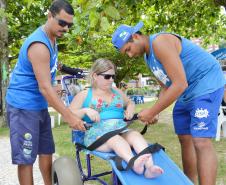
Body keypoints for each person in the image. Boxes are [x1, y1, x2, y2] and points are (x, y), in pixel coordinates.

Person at [112, 22, 225, 185]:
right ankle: (189, 182)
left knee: (200, 141)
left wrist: (151, 111)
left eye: (128, 49)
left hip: (206, 83)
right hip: (187, 91)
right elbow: (166, 86)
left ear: (135, 36)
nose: (129, 55)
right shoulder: (148, 57)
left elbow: (179, 84)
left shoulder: (160, 41)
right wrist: (156, 112)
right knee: (185, 139)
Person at [5, 1, 86, 185]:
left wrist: (54, 84)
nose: (65, 28)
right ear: (49, 15)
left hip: (39, 104)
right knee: (26, 159)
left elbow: (45, 78)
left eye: (69, 25)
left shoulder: (53, 39)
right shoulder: (39, 45)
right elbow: (44, 88)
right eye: (61, 23)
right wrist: (69, 116)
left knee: (46, 150)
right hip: (23, 106)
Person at [69, 58, 163, 178]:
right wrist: (85, 110)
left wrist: (129, 108)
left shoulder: (117, 92)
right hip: (97, 136)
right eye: (107, 77)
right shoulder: (85, 95)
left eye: (113, 76)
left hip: (120, 130)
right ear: (95, 76)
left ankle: (150, 168)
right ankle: (133, 163)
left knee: (135, 135)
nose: (112, 80)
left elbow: (130, 102)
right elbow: (69, 116)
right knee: (115, 140)